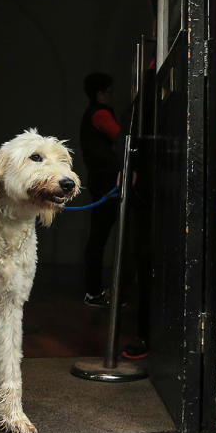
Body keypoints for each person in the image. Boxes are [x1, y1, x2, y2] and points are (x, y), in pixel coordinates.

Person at [80, 72, 121, 308]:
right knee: (98, 237)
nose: (112, 96)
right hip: (106, 182)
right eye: (109, 91)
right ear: (101, 93)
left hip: (100, 180)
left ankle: (94, 291)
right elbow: (120, 136)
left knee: (98, 237)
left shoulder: (91, 114)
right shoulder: (100, 113)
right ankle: (94, 292)